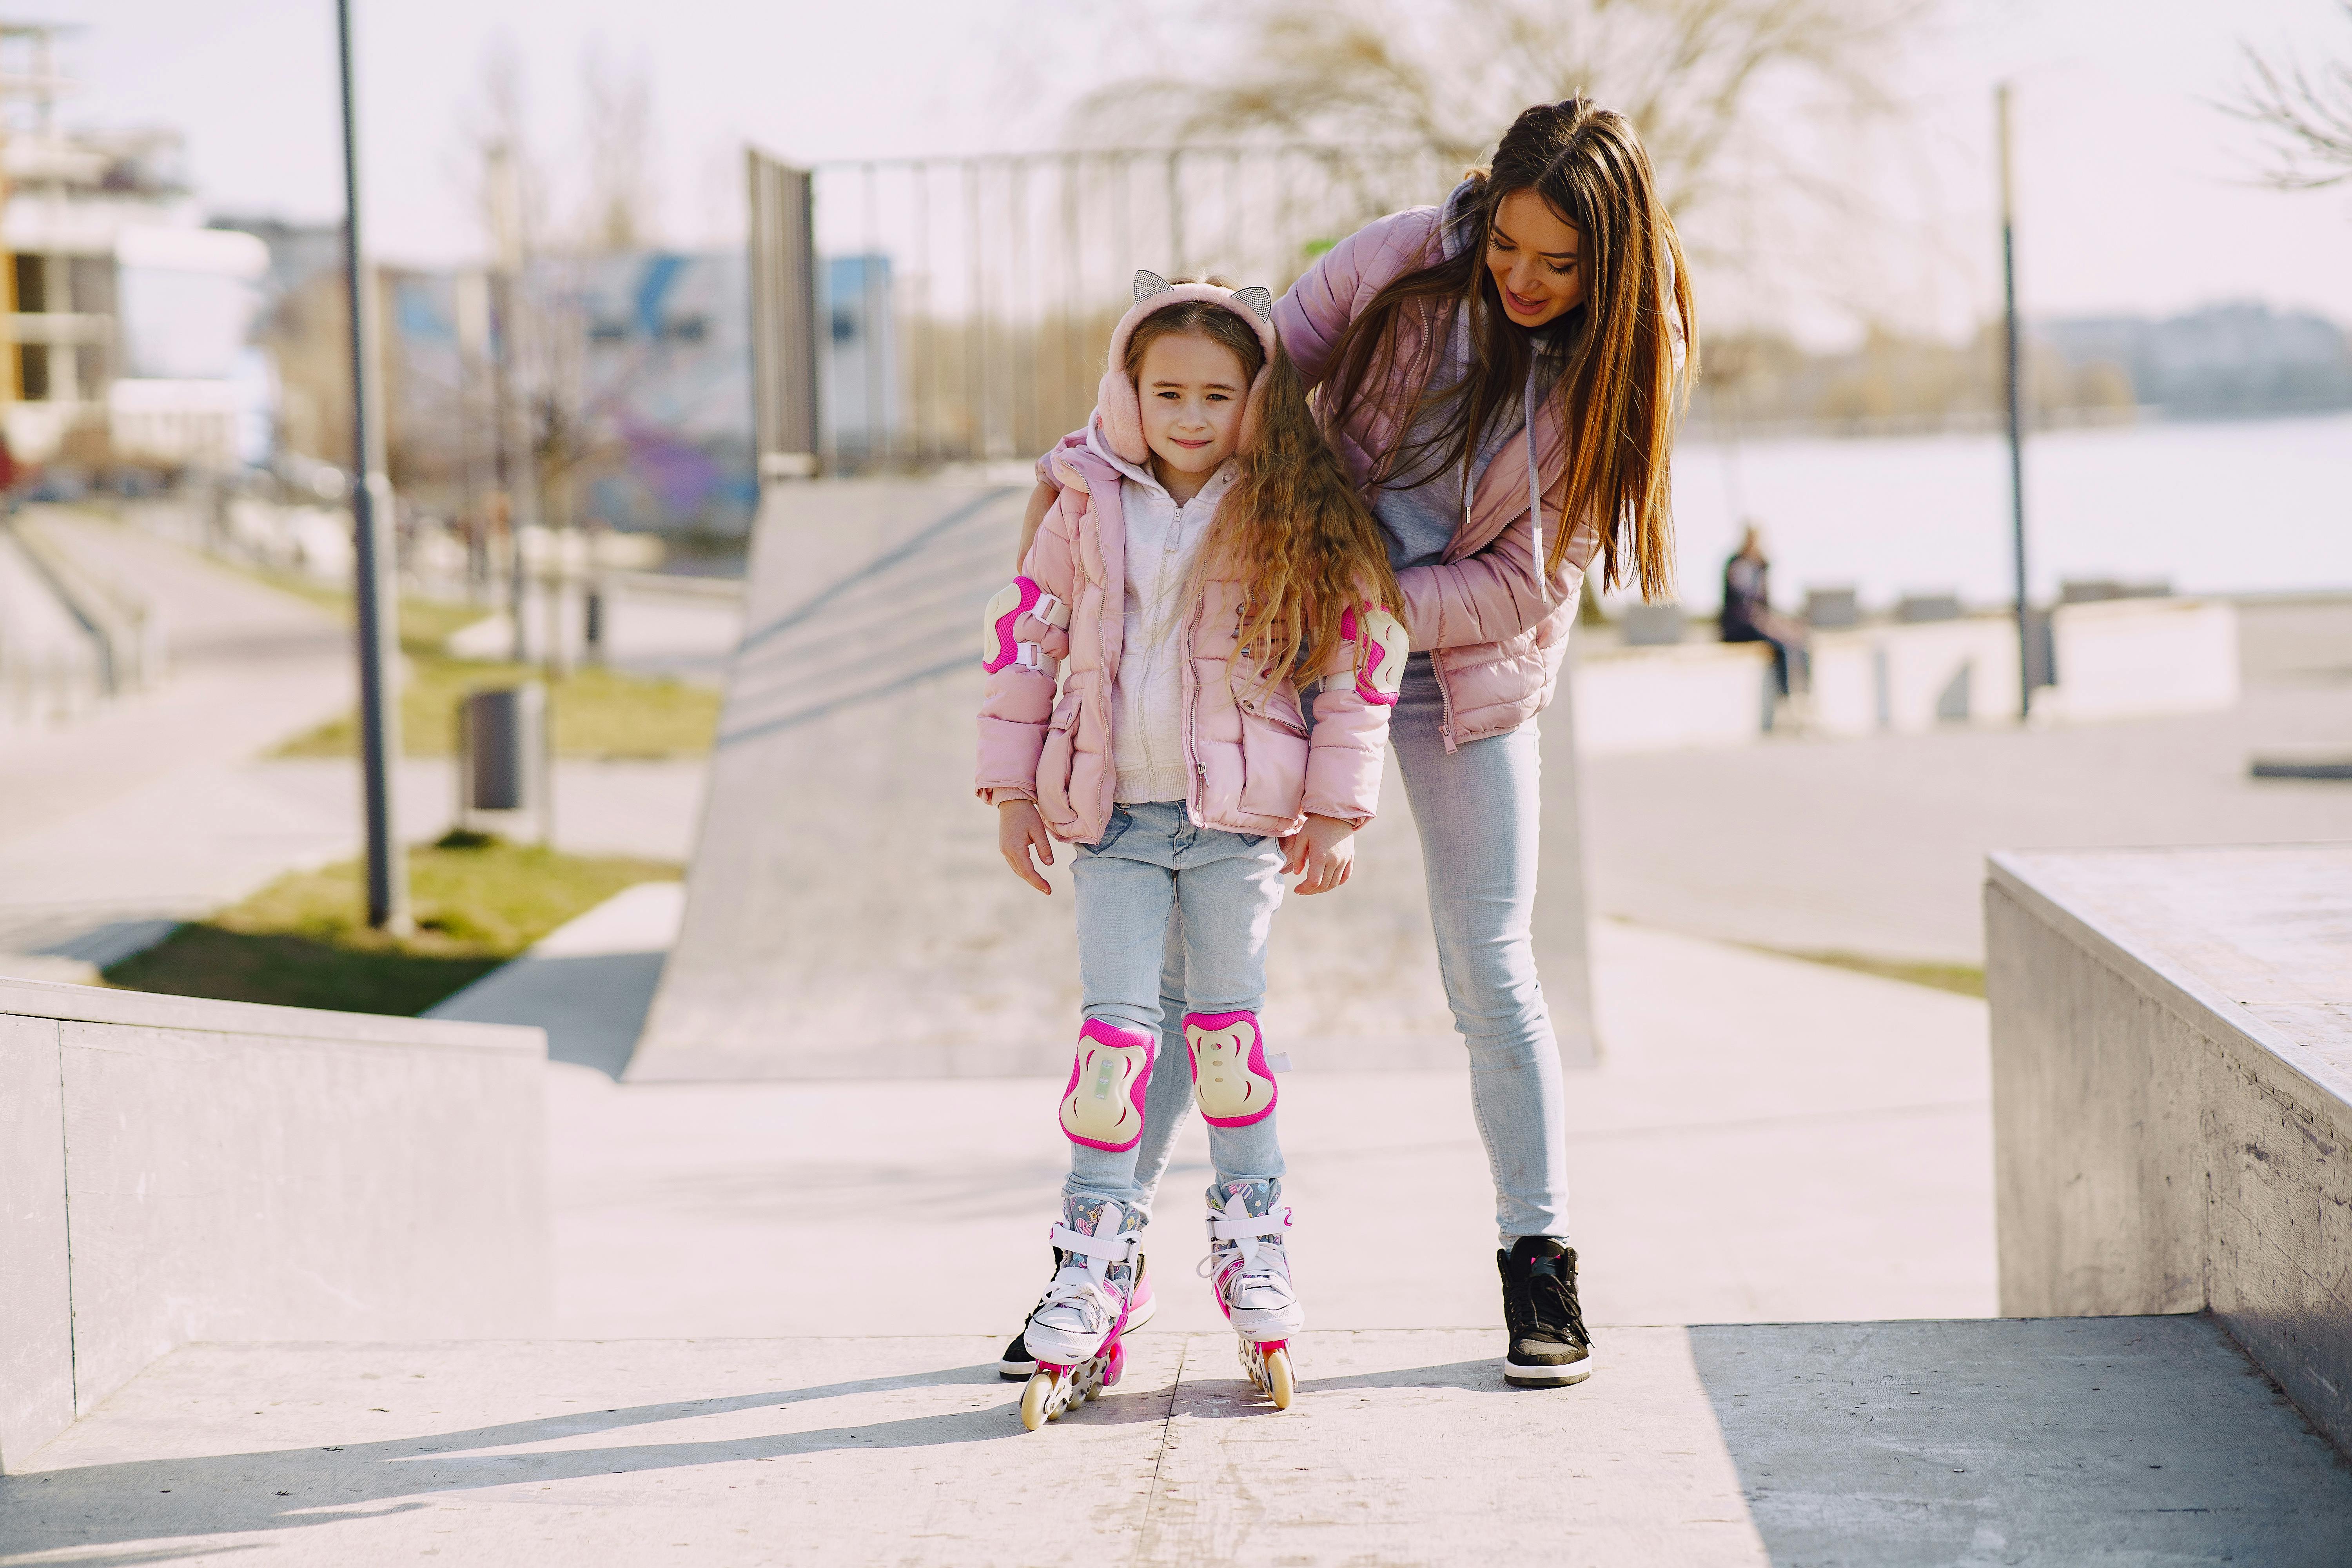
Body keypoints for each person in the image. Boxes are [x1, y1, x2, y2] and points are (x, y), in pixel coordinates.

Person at [1003, 100, 1692, 1389]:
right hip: (1286, 643)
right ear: (1486, 211)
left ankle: (1537, 1259)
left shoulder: (1622, 363)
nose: (1527, 282)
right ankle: (1101, 1266)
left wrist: (1369, 606)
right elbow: (1249, 364)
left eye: (1561, 264)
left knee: (1491, 965)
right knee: (1171, 984)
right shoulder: (1399, 261)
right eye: (1511, 250)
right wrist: (1118, 474)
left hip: (1464, 677)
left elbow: (1531, 584)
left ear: (1614, 257)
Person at [977, 273, 1408, 1428]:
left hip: (1235, 830)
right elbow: (1029, 636)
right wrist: (1013, 788)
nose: (1188, 415)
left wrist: (1333, 808)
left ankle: (1252, 1245)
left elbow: (1354, 658)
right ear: (1126, 387)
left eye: (1217, 394)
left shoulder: (1290, 508)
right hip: (1112, 818)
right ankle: (1094, 1260)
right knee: (1113, 1044)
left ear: (1255, 399)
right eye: (1165, 390)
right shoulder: (1081, 500)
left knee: (1226, 1038)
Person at [1719, 523, 1808, 697]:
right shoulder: (1737, 565)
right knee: (1781, 648)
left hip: (1757, 623)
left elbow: (1765, 606)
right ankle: (1784, 699)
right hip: (1738, 628)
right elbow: (1743, 608)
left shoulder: (1760, 567)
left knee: (1800, 639)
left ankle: (1804, 694)